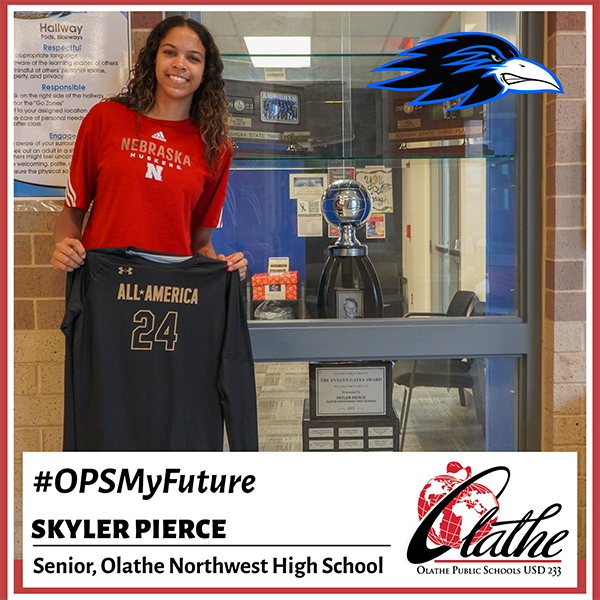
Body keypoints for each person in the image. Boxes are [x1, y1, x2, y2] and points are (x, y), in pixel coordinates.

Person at [51, 15, 247, 278]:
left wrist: (223, 270)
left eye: (193, 58)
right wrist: (65, 247)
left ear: (205, 72)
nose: (180, 64)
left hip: (172, 290)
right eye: (170, 52)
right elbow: (73, 212)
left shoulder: (216, 148)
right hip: (103, 283)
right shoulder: (104, 119)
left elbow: (200, 242)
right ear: (153, 58)